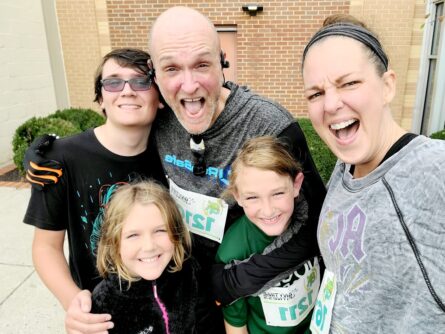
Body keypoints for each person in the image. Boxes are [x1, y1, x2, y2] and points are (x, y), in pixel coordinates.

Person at [25, 6, 326, 332]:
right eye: (172, 69)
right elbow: (120, 124)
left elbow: (316, 222)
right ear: (158, 77)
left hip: (245, 301)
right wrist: (49, 148)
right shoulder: (162, 119)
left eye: (201, 64)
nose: (188, 84)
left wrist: (234, 280)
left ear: (222, 62)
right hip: (162, 299)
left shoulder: (269, 124)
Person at [301, 20, 445, 333]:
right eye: (315, 93)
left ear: (388, 85)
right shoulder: (345, 167)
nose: (331, 103)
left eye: (349, 83)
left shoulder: (434, 168)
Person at [23, 48, 166, 333]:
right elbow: (45, 247)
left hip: (167, 308)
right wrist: (73, 301)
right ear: (101, 98)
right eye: (113, 82)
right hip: (101, 317)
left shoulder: (173, 153)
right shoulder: (60, 159)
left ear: (160, 97)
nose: (126, 91)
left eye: (141, 81)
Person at [215, 136, 320, 334]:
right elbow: (236, 327)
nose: (268, 210)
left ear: (296, 185)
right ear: (238, 196)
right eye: (253, 197)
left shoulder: (315, 221)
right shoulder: (233, 251)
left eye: (278, 193)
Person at [91, 180, 214, 333]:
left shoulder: (191, 274)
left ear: (176, 232)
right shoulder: (103, 301)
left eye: (160, 231)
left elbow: (208, 324)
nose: (149, 246)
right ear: (114, 243)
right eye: (133, 235)